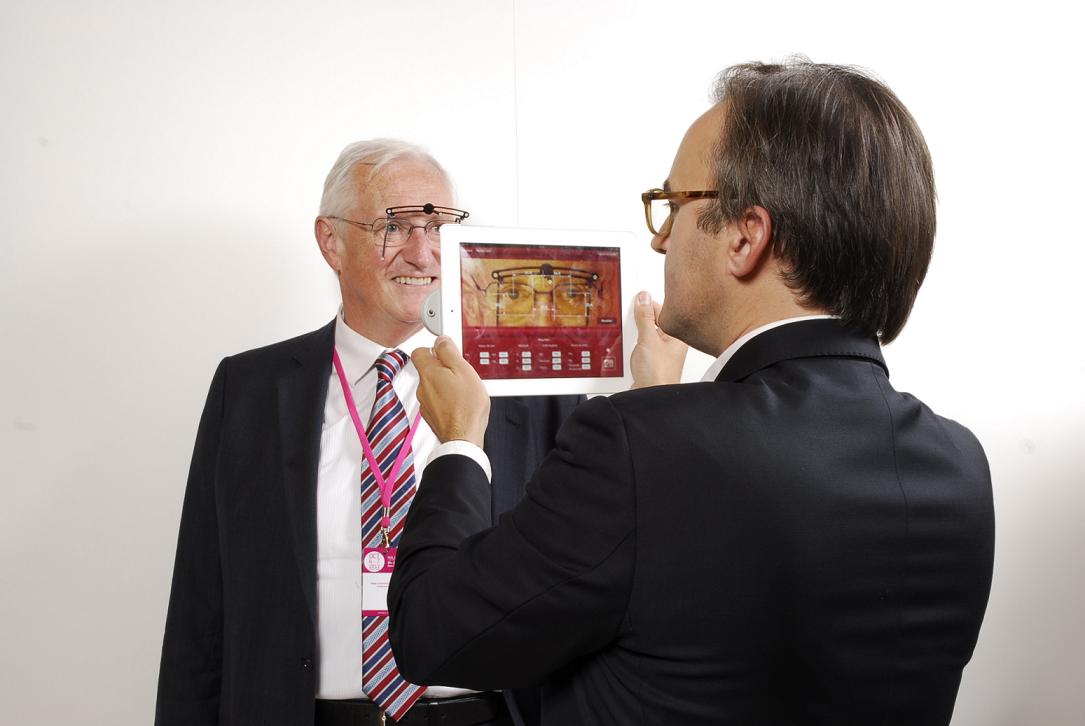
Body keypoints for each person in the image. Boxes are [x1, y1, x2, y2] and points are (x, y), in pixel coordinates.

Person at [388, 60, 995, 725]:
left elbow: (433, 633)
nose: (659, 238)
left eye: (673, 205)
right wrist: (658, 412)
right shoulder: (958, 463)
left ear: (745, 237)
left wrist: (459, 442)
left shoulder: (638, 447)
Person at [154, 139, 582, 726]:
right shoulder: (250, 389)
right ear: (330, 240)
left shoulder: (529, 389)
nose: (423, 253)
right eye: (393, 227)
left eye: (440, 227)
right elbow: (202, 606)